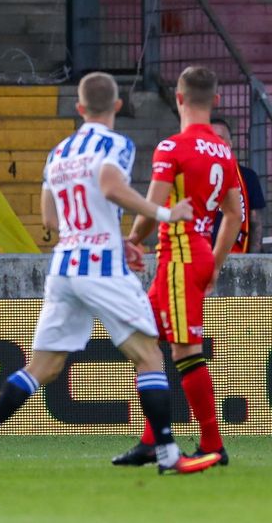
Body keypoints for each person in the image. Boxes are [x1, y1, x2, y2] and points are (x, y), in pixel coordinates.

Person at [0, 71, 220, 477]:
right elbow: (111, 187)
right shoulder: (115, 143)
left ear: (79, 109)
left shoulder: (58, 152)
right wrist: (166, 213)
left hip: (64, 267)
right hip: (101, 266)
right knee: (150, 354)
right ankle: (168, 455)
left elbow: (49, 217)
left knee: (44, 365)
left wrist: (106, 234)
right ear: (116, 106)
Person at [111, 66, 242, 468]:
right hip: (198, 254)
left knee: (186, 351)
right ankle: (152, 440)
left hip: (179, 257)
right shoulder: (224, 151)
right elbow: (234, 215)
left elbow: (154, 208)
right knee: (143, 339)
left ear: (179, 99)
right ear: (215, 101)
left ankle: (213, 444)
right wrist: (216, 263)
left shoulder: (172, 148)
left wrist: (133, 239)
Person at [209, 117, 265, 253]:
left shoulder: (247, 177)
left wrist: (253, 259)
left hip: (239, 255)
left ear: (230, 143)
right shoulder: (195, 176)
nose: (215, 143)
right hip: (203, 258)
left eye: (220, 138)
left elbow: (255, 222)